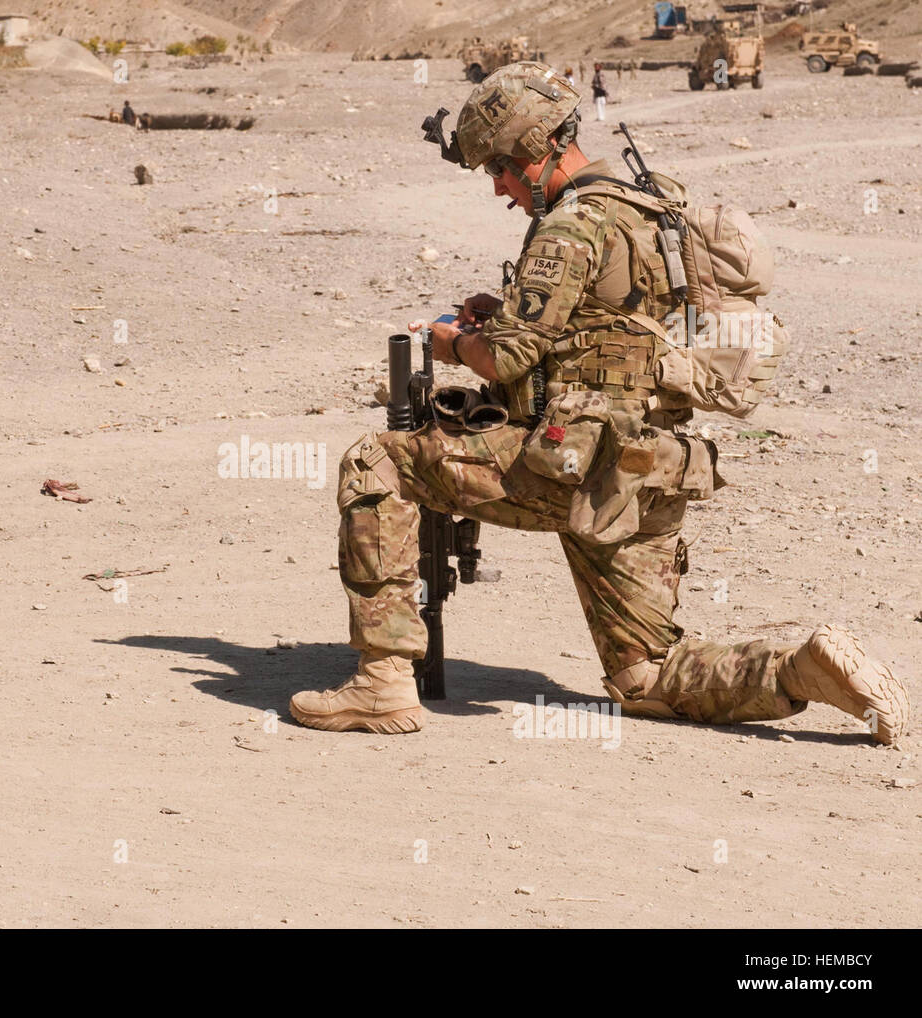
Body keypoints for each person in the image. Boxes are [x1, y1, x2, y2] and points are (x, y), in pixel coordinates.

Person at [288, 62, 910, 745]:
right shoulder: (650, 208)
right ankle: (800, 670)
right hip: (651, 468)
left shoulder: (570, 226)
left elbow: (504, 359)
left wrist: (451, 342)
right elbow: (611, 329)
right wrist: (507, 314)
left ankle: (381, 683)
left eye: (498, 168)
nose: (498, 187)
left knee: (377, 460)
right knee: (644, 674)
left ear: (531, 149)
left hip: (573, 466)